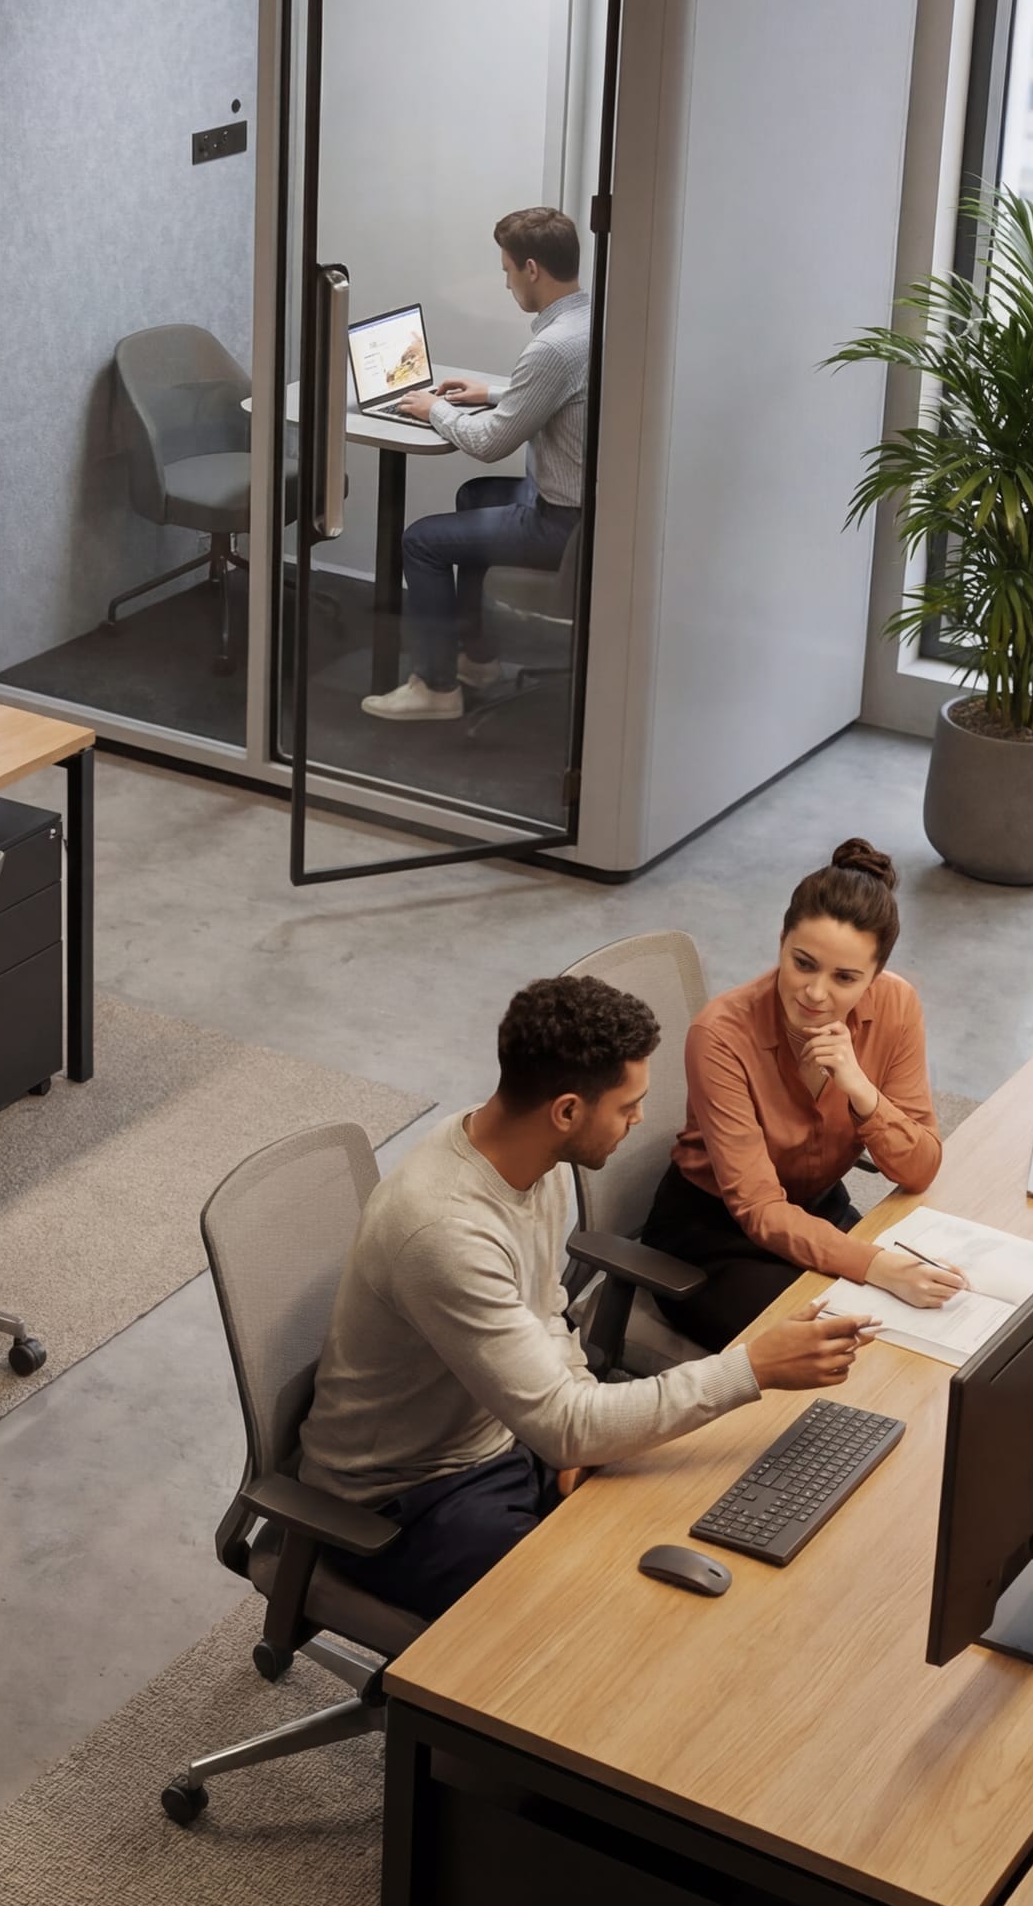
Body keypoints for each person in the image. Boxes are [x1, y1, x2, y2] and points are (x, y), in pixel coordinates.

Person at [298, 973, 875, 1621]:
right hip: (406, 1501)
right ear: (568, 1111)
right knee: (601, 1618)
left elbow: (546, 1315)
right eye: (629, 1105)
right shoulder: (445, 1230)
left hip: (507, 1438)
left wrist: (573, 1448)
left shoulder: (527, 1162)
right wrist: (754, 1367)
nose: (640, 1120)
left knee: (686, 1530)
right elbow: (566, 1421)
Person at [638, 838, 964, 1349]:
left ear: (875, 977)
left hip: (817, 1209)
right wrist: (877, 1266)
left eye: (846, 977)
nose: (815, 993)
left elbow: (919, 1167)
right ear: (782, 941)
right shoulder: (721, 1034)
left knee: (933, 1320)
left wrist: (860, 1089)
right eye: (803, 963)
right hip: (714, 1236)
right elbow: (761, 1209)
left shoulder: (896, 1005)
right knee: (845, 1346)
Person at [363, 204, 589, 727]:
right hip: (587, 509)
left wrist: (434, 408)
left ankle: (436, 688)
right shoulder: (589, 320)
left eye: (508, 269)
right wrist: (490, 392)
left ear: (532, 268)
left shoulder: (552, 346)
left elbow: (490, 443)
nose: (507, 282)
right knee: (474, 497)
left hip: (563, 525)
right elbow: (563, 392)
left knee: (422, 540)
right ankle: (478, 657)